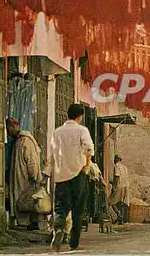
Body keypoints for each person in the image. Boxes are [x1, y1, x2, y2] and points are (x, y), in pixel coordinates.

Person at [43, 104, 94, 252]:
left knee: (60, 208)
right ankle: (74, 243)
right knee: (78, 210)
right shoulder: (82, 130)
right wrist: (87, 165)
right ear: (80, 117)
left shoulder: (57, 132)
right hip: (78, 175)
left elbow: (51, 156)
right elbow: (89, 148)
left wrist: (46, 174)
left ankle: (58, 230)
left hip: (61, 176)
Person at [6, 117, 43, 231]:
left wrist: (33, 176)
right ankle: (25, 223)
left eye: (8, 129)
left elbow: (31, 161)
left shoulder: (25, 141)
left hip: (26, 179)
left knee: (27, 200)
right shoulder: (19, 140)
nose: (7, 132)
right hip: (22, 177)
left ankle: (30, 223)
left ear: (13, 127)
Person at [109, 155, 130, 224]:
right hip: (125, 186)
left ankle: (119, 215)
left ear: (117, 159)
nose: (113, 160)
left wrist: (114, 187)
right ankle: (121, 219)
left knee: (111, 202)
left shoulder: (117, 166)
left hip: (119, 186)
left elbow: (117, 176)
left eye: (114, 158)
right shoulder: (125, 167)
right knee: (121, 203)